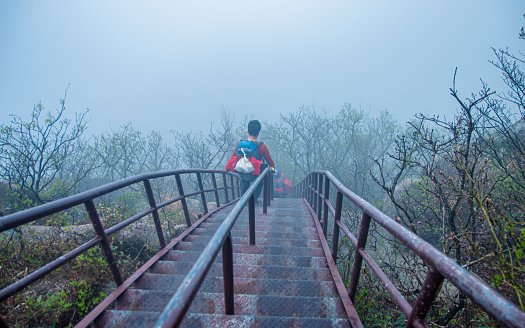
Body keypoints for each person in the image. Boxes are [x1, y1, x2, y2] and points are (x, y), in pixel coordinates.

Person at [227, 120, 275, 202]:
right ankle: (254, 201)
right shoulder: (262, 146)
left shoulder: (240, 143)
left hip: (242, 172)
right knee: (260, 182)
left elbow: (233, 158)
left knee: (244, 182)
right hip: (255, 174)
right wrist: (273, 168)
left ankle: (243, 201)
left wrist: (227, 168)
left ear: (247, 131)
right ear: (258, 133)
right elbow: (269, 162)